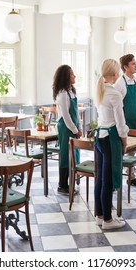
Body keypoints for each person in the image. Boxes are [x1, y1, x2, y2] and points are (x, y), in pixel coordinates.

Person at [94, 58, 128, 230]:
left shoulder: (100, 90)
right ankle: (108, 220)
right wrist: (125, 141)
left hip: (99, 137)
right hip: (110, 138)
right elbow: (121, 124)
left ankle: (100, 215)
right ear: (116, 74)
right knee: (107, 180)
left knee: (100, 178)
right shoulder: (114, 93)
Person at [114, 54, 136, 187]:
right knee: (122, 151)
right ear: (125, 67)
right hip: (124, 123)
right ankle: (116, 178)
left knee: (134, 151)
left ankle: (131, 177)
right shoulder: (119, 83)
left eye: (135, 63)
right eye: (133, 63)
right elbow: (117, 106)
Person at [52, 65, 82, 195]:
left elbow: (76, 114)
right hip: (66, 128)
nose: (74, 76)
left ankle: (70, 183)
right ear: (65, 77)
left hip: (73, 127)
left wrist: (79, 127)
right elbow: (66, 115)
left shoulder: (71, 92)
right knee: (65, 156)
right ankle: (62, 185)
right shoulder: (63, 94)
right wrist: (75, 130)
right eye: (71, 74)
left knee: (73, 156)